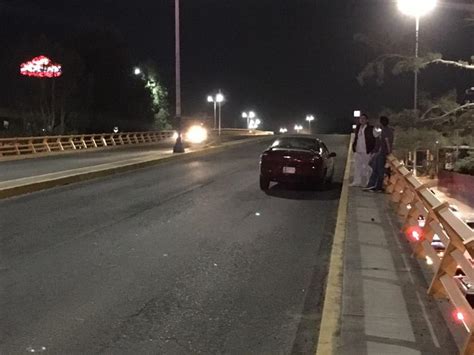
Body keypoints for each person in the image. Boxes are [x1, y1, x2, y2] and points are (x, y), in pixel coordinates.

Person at [365, 116, 394, 192]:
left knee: (378, 170)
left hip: (382, 153)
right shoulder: (387, 131)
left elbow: (387, 142)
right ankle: (375, 186)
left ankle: (376, 186)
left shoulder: (385, 131)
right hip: (381, 153)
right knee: (376, 168)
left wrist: (388, 152)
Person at [351, 114, 375, 187]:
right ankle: (357, 181)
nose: (362, 120)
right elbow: (356, 138)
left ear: (367, 120)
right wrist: (354, 147)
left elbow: (375, 137)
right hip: (358, 150)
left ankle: (369, 182)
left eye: (364, 119)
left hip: (366, 150)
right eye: (361, 119)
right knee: (357, 166)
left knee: (368, 167)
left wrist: (372, 149)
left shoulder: (370, 128)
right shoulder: (358, 127)